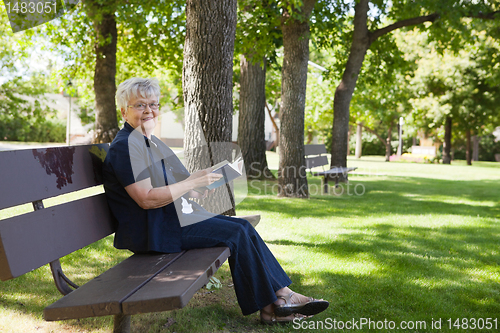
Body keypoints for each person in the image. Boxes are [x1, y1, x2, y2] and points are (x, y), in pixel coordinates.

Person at [103, 77, 329, 324]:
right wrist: (190, 184)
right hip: (154, 230)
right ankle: (278, 302)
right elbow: (146, 199)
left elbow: (175, 184)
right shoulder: (126, 146)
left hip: (171, 220)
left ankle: (277, 302)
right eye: (140, 105)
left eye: (154, 104)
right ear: (124, 111)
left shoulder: (150, 142)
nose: (149, 111)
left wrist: (197, 186)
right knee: (237, 231)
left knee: (241, 227)